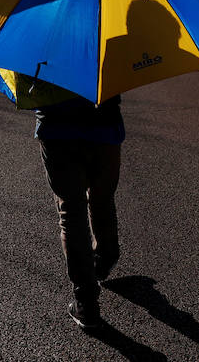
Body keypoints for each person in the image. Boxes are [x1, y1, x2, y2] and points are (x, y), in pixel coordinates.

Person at [35, 92, 125, 329]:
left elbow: (22, 90)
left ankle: (85, 300)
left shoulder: (43, 52)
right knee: (102, 197)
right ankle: (105, 257)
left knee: (71, 212)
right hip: (104, 124)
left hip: (58, 129)